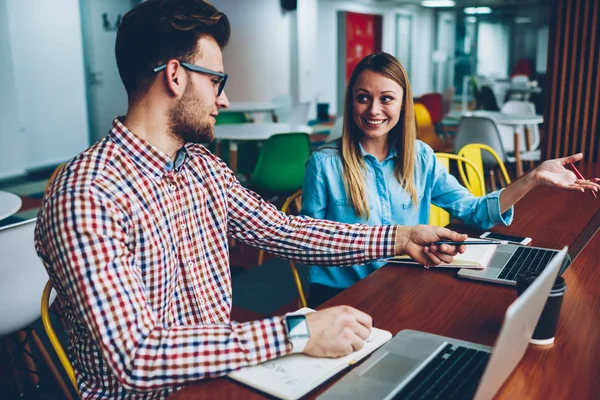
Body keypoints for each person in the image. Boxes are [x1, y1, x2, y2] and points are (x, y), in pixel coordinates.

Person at [34, 2, 468, 399]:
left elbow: (285, 230)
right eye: (216, 81)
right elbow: (137, 355)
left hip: (226, 372)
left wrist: (401, 236)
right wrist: (295, 332)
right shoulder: (86, 192)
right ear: (174, 75)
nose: (223, 98)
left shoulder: (201, 167)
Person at [301, 52, 600, 308]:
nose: (374, 110)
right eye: (363, 98)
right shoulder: (324, 164)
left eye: (386, 99)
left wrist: (532, 179)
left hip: (402, 283)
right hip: (341, 295)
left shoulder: (420, 157)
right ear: (351, 102)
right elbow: (308, 244)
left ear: (404, 104)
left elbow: (474, 211)